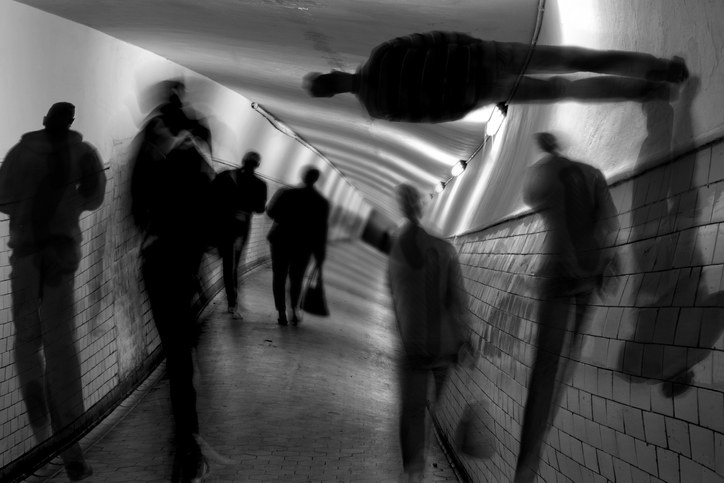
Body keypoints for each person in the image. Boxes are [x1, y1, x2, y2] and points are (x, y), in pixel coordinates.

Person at [0, 102, 106, 481]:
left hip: (25, 258)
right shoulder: (84, 153)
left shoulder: (18, 153)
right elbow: (94, 199)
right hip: (62, 259)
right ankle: (71, 449)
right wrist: (69, 204)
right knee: (62, 346)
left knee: (27, 343)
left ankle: (38, 438)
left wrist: (31, 213)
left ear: (44, 119)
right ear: (71, 123)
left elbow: (3, 200)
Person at [514, 133, 619, 483]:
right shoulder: (593, 174)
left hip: (556, 272)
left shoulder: (542, 174)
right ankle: (540, 441)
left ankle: (527, 462)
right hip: (588, 274)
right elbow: (610, 225)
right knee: (567, 361)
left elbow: (531, 199)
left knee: (544, 369)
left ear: (545, 147)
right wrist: (607, 262)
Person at [304, 31, 688, 123]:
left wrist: (471, 100)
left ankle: (650, 91)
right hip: (486, 55)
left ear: (334, 96)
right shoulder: (382, 53)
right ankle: (658, 67)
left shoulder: (379, 108)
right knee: (575, 58)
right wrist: (473, 46)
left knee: (565, 89)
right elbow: (438, 38)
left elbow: (435, 115)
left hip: (482, 88)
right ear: (334, 73)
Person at [130, 81, 215, 483]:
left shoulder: (148, 148)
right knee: (179, 355)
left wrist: (148, 232)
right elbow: (209, 211)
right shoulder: (196, 154)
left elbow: (135, 203)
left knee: (176, 350)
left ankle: (185, 442)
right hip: (181, 260)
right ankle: (187, 444)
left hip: (158, 259)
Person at [387, 184, 469, 482]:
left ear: (400, 206)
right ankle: (424, 453)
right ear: (421, 206)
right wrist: (466, 338)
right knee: (433, 407)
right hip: (444, 346)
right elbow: (458, 300)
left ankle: (413, 471)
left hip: (413, 345)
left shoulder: (396, 248)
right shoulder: (445, 249)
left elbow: (395, 297)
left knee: (410, 411)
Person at [266, 167, 329, 326]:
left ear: (303, 176)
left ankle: (281, 312)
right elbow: (321, 231)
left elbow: (271, 212)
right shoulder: (321, 203)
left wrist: (286, 219)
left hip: (281, 240)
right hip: (304, 246)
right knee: (297, 278)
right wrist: (320, 254)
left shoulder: (286, 193)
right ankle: (294, 309)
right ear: (316, 180)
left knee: (279, 276)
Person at [211, 151, 267, 319]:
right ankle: (232, 302)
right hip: (240, 228)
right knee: (233, 263)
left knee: (228, 262)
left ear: (243, 161)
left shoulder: (226, 175)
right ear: (257, 165)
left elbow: (212, 196)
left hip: (221, 225)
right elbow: (260, 209)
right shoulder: (259, 184)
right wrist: (245, 207)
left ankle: (232, 299)